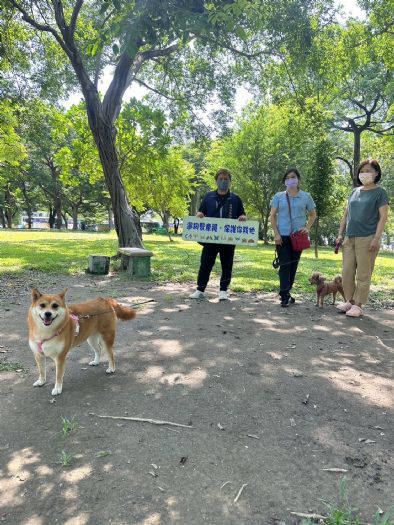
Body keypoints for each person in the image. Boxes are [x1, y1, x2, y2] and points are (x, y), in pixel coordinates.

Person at [336, 159, 389, 317]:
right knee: (347, 272)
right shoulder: (354, 191)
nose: (364, 174)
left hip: (368, 237)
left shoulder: (380, 192)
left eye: (368, 170)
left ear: (376, 173)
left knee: (363, 273)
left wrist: (377, 238)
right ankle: (349, 301)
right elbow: (346, 215)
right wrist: (340, 234)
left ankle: (358, 305)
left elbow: (383, 217)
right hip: (349, 237)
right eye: (362, 171)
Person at [189, 168, 247, 301]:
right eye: (220, 179)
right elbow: (201, 212)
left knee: (227, 265)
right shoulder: (208, 197)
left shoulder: (235, 199)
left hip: (228, 238)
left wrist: (243, 217)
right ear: (216, 181)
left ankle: (223, 291)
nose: (223, 181)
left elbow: (242, 214)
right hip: (210, 238)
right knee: (205, 264)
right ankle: (200, 289)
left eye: (226, 179)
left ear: (230, 182)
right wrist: (199, 215)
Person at [270, 168, 316, 307]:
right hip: (282, 237)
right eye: (288, 178)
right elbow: (272, 216)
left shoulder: (306, 196)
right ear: (285, 181)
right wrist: (276, 234)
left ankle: (286, 292)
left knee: (293, 266)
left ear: (298, 180)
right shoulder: (278, 196)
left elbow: (313, 214)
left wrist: (307, 228)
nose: (291, 180)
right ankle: (284, 295)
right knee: (284, 265)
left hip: (298, 237)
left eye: (293, 177)